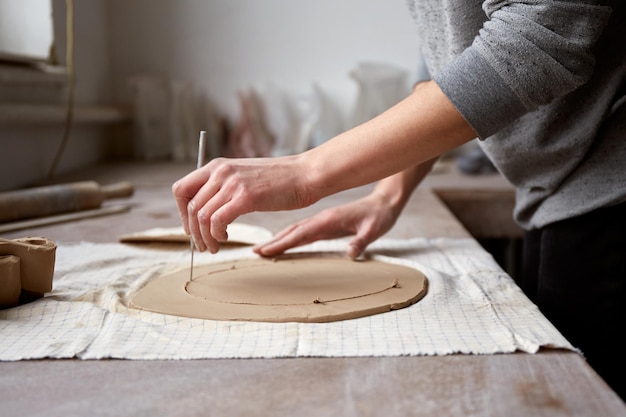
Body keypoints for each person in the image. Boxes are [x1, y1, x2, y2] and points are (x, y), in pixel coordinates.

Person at [173, 0, 625, 400]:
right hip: (557, 189)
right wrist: (388, 194)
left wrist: (307, 171)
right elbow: (450, 57)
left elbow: (538, 39)